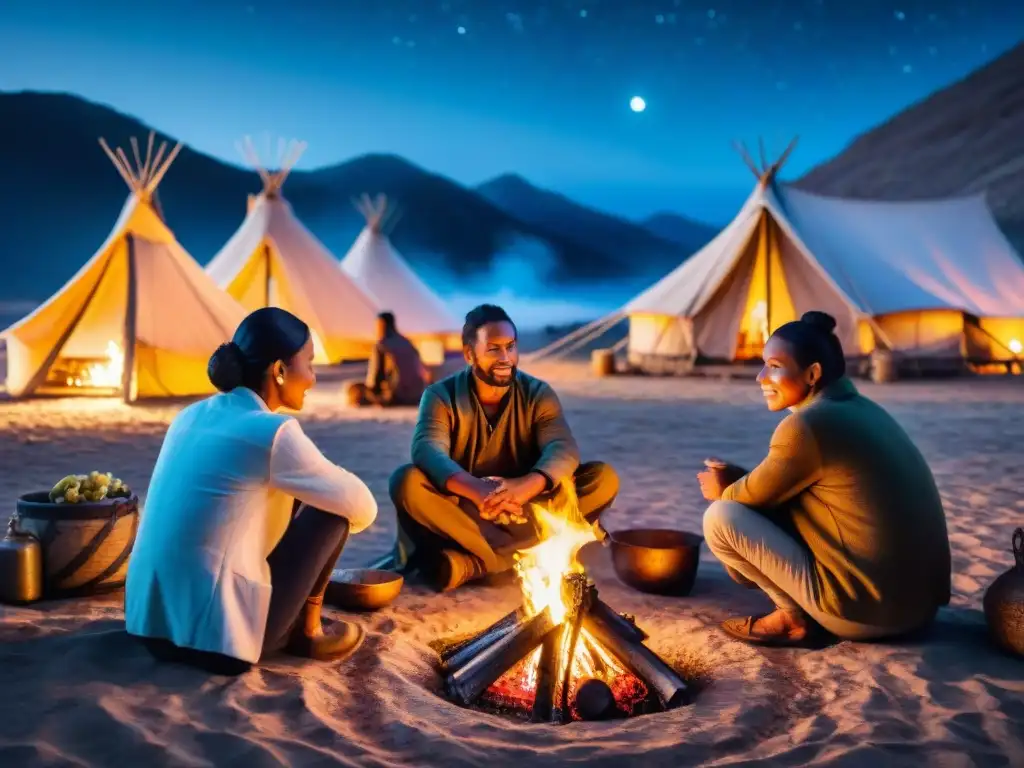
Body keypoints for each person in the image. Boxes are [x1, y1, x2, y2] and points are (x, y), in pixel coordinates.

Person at [125, 307, 379, 675]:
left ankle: (294, 619)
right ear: (279, 370)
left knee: (285, 491)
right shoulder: (273, 432)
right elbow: (363, 507)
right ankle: (308, 632)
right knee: (333, 513)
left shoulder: (189, 415)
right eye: (308, 363)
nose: (312, 378)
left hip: (148, 629)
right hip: (217, 643)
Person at [698, 310, 951, 647]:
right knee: (741, 506)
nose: (760, 377)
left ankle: (791, 619)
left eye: (774, 366)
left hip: (870, 616)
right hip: (918, 609)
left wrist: (723, 491)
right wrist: (739, 483)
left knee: (720, 517)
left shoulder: (807, 425)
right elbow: (778, 491)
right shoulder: (862, 409)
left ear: (812, 373)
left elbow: (739, 506)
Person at [388, 304, 620, 592]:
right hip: (465, 512)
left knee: (602, 478)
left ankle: (480, 564)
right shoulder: (440, 396)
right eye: (493, 349)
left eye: (511, 347)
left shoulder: (538, 393)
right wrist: (478, 491)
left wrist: (526, 486)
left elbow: (562, 446)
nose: (506, 358)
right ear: (469, 354)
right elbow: (427, 449)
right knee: (406, 481)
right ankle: (517, 556)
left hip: (525, 508)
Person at [347, 312, 429, 407]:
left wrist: (372, 391)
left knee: (354, 389)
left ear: (381, 325)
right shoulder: (407, 342)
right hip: (416, 395)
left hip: (395, 396)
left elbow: (375, 378)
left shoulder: (381, 345)